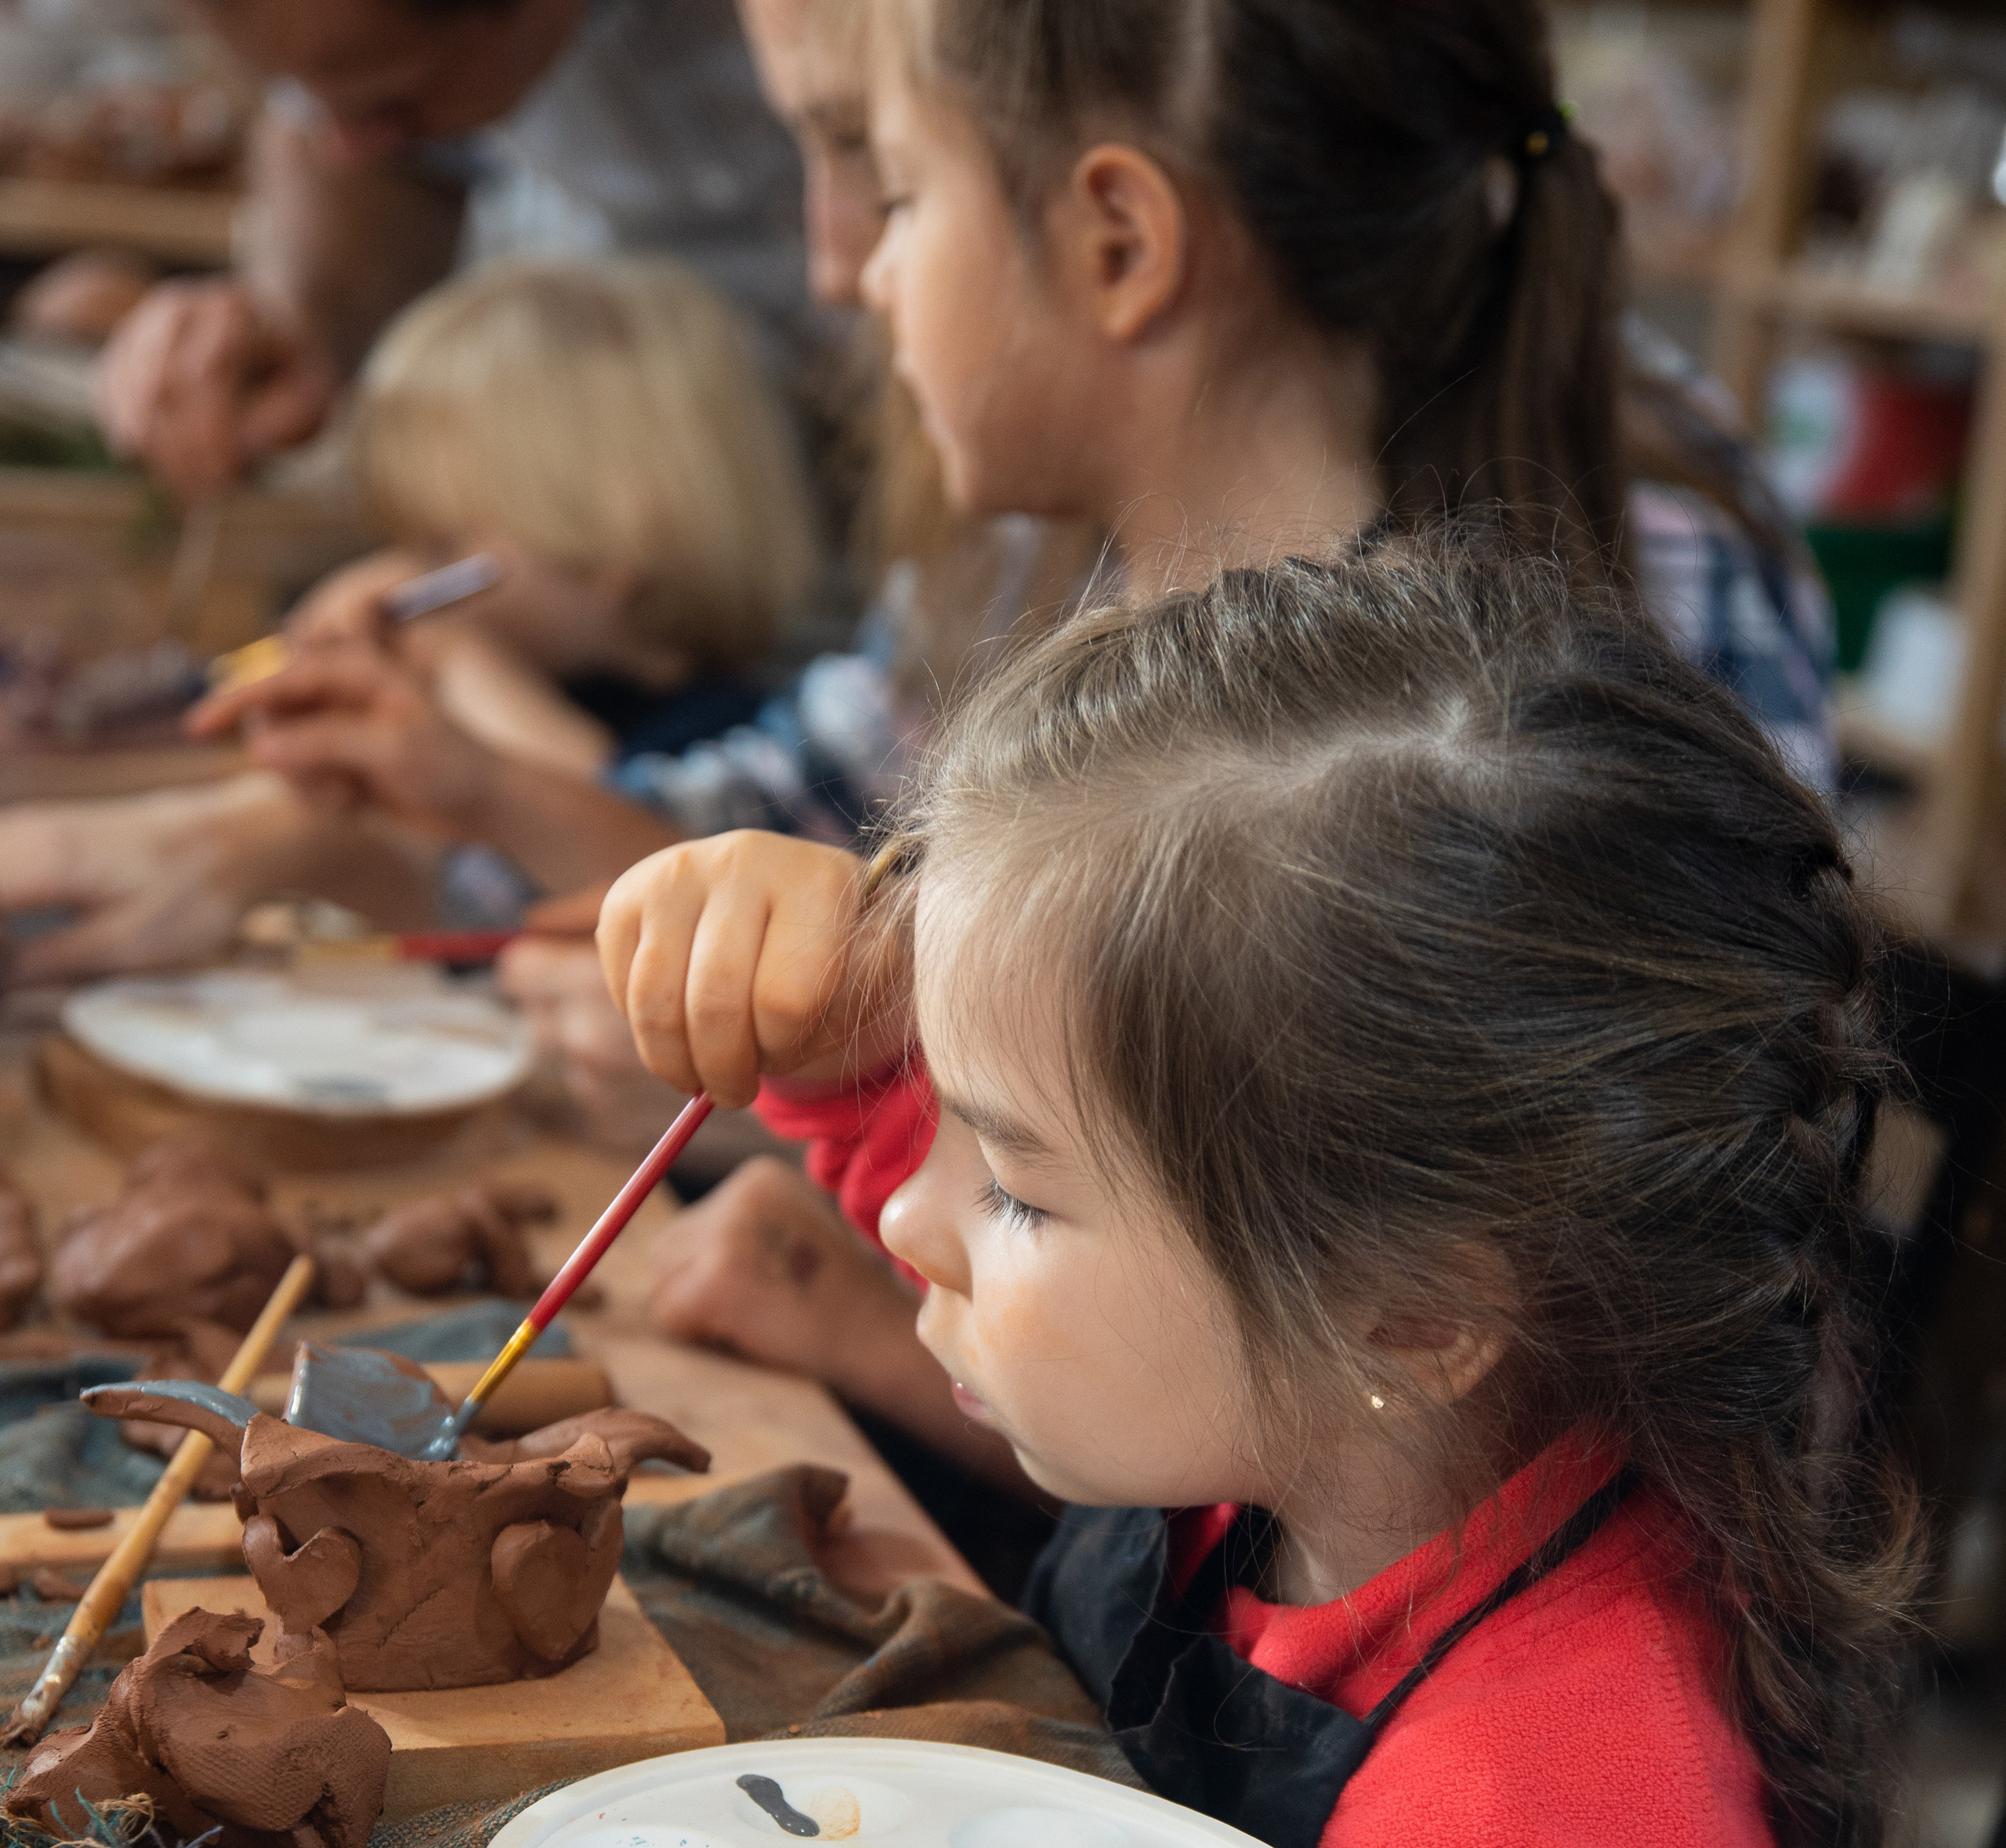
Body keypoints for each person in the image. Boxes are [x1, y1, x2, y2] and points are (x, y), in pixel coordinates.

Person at [607, 528, 1947, 1848]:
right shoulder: (1366, 1406)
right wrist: (836, 1021)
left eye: (1016, 1177)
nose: (914, 1221)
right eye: (947, 1134)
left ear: (1413, 1306)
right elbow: (1083, 1261)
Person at [587, 0, 1838, 1468]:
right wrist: (837, 1022)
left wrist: (881, 1312)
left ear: (1120, 240)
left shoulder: (1514, 728)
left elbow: (1412, 1404)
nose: (846, 267)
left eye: (899, 188)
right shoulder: (1058, 582)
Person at [0, 254, 815, 983]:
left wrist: (465, 669)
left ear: (623, 533)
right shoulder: (545, 678)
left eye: (444, 544)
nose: (410, 577)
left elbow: (624, 836)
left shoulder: (734, 731)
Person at [92, 0, 806, 499]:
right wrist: (291, 326)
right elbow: (361, 160)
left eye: (391, 102)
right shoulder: (380, 46)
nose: (346, 141)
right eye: (304, 93)